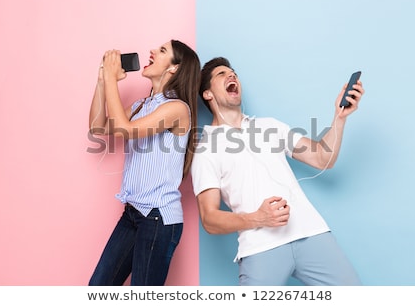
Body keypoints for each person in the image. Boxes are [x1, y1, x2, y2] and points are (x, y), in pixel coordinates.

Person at [190, 57, 364, 286]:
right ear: (207, 94)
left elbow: (323, 158)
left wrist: (339, 118)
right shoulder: (205, 150)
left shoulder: (269, 126)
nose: (232, 76)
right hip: (260, 247)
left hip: (310, 233)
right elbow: (210, 219)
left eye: (233, 73)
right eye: (222, 74)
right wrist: (257, 218)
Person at [88, 40, 200, 286]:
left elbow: (127, 130)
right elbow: (98, 127)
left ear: (174, 69)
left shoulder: (177, 109)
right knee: (98, 288)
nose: (152, 51)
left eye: (162, 51)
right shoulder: (141, 105)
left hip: (158, 219)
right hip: (133, 213)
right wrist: (101, 82)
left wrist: (110, 79)